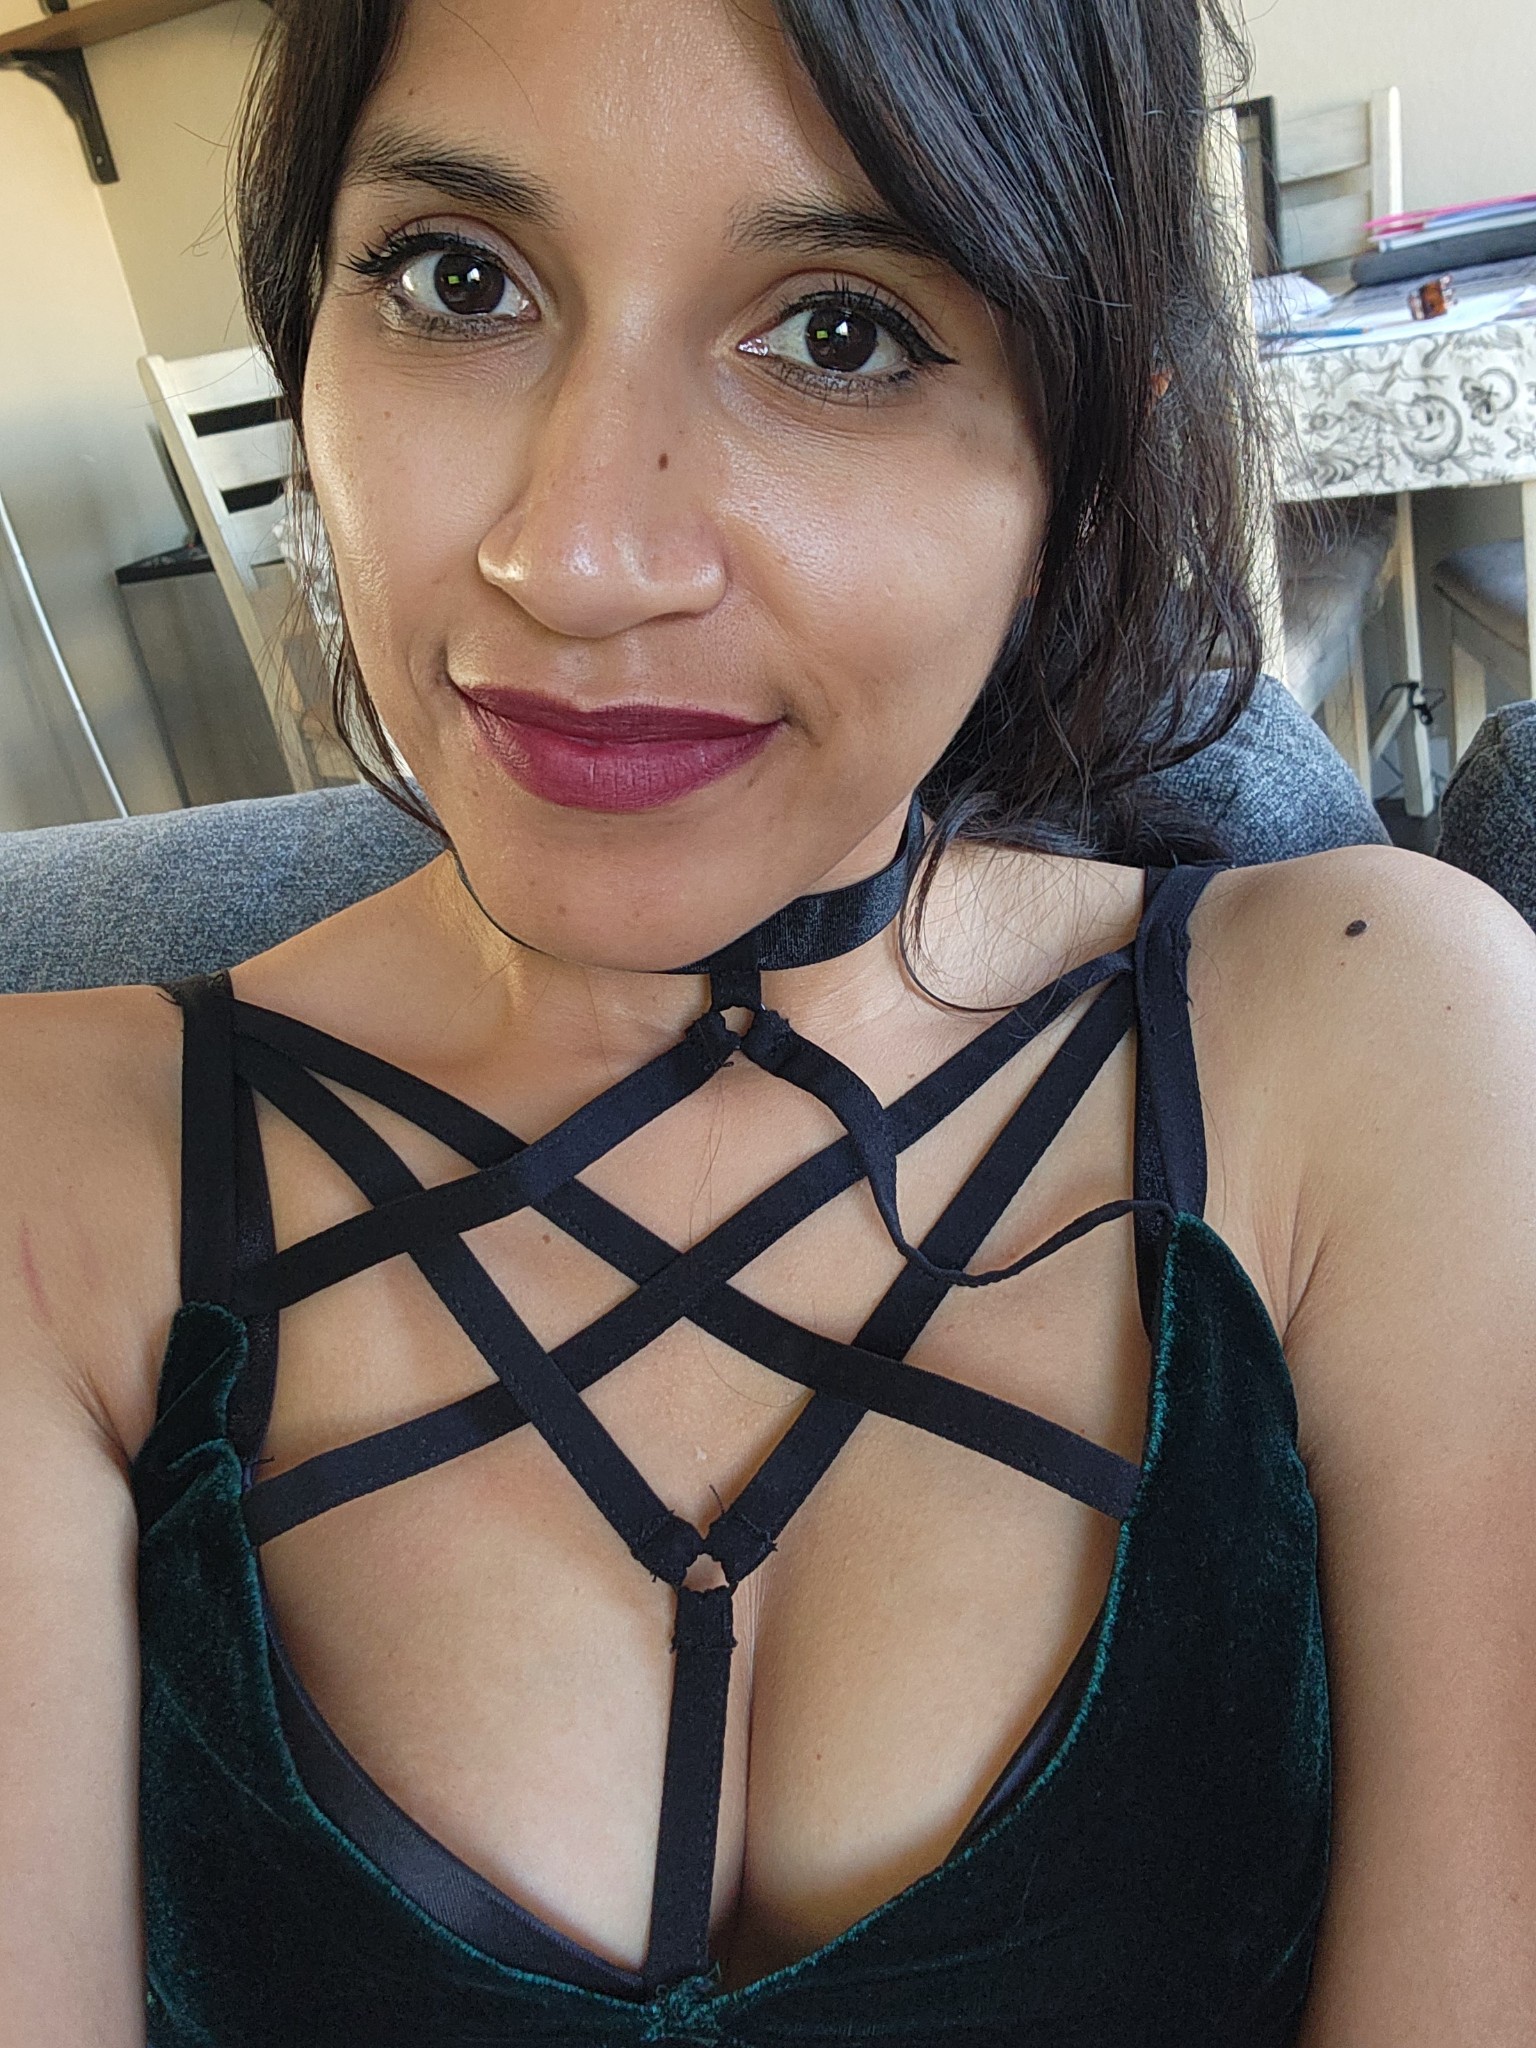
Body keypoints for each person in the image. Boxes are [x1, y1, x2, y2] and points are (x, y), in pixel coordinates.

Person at [2, 0, 1533, 2040]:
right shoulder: (50, 1172)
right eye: (459, 282)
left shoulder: (1377, 1047)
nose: (574, 558)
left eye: (839, 331)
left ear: (1078, 467)